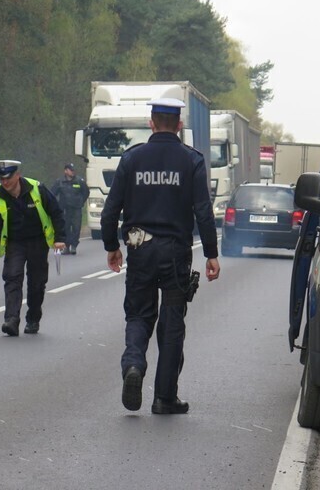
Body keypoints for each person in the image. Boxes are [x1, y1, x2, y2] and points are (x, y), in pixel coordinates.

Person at [101, 97, 220, 415]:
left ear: (151, 123)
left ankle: (134, 365)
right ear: (179, 125)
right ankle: (164, 398)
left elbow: (110, 210)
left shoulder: (131, 159)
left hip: (139, 250)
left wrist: (112, 247)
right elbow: (204, 212)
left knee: (139, 315)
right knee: (171, 323)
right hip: (175, 255)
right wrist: (211, 254)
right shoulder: (191, 160)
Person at [0, 160, 67, 336]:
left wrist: (60, 238)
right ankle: (11, 320)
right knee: (12, 278)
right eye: (1, 179)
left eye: (8, 178)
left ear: (17, 175)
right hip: (15, 243)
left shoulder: (37, 188)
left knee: (37, 283)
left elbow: (56, 212)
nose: (4, 182)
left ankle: (33, 318)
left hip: (38, 241)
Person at [50, 162, 90, 255]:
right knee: (65, 228)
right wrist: (56, 206)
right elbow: (52, 194)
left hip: (76, 209)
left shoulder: (80, 181)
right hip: (64, 209)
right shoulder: (59, 181)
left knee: (76, 228)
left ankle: (74, 246)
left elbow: (86, 192)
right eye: (70, 170)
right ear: (65, 171)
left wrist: (81, 201)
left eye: (73, 170)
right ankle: (66, 246)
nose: (72, 172)